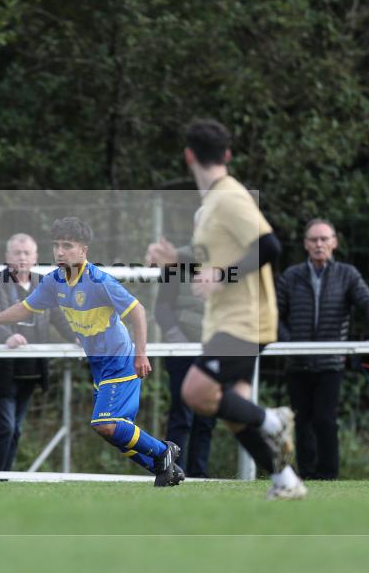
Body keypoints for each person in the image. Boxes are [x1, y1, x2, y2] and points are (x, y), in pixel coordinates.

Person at [147, 118, 304, 500]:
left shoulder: (229, 195)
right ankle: (285, 482)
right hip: (226, 320)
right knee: (234, 414)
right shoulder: (214, 201)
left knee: (196, 392)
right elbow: (211, 258)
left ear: (188, 156)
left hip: (245, 319)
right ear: (228, 154)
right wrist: (177, 258)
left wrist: (222, 276)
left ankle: (274, 419)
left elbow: (270, 247)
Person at [0, 218, 184, 486]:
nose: (60, 252)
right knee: (115, 432)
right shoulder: (54, 282)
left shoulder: (98, 281)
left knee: (105, 424)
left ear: (83, 250)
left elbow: (138, 311)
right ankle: (163, 467)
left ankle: (163, 451)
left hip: (120, 360)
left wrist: (141, 354)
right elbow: (27, 307)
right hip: (99, 365)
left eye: (67, 245)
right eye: (56, 245)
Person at [276, 218, 369, 480]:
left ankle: (329, 476)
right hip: (297, 363)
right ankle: (307, 475)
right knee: (301, 423)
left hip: (330, 363)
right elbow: (273, 314)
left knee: (325, 421)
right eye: (314, 240)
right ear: (305, 244)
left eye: (324, 239)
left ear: (334, 243)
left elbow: (367, 302)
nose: (319, 244)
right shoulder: (291, 276)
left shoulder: (347, 275)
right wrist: (288, 341)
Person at [0, 233, 74, 471]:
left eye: (26, 253)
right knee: (5, 427)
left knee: (16, 428)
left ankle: (3, 478)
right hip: (2, 369)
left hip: (31, 369)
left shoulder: (45, 284)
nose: (21, 257)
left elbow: (60, 319)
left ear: (35, 257)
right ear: (7, 256)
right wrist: (7, 337)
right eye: (17, 253)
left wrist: (79, 337)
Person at [154, 209, 216, 478]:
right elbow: (162, 307)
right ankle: (172, 472)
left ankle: (199, 476)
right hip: (182, 349)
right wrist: (176, 338)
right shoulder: (175, 259)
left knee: (207, 417)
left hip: (214, 349)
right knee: (181, 414)